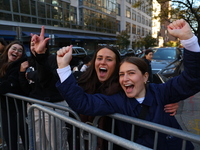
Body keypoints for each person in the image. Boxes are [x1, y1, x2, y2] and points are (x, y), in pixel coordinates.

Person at [56, 19, 200, 150]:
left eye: (131, 73)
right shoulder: (116, 100)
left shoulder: (162, 92)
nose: (125, 79)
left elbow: (191, 79)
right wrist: (63, 67)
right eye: (121, 74)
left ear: (145, 76)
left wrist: (189, 40)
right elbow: (84, 103)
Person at [19, 26, 69, 150]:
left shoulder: (52, 59)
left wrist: (30, 74)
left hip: (53, 107)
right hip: (34, 108)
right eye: (31, 44)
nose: (33, 46)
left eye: (36, 43)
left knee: (56, 144)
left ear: (44, 45)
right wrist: (21, 73)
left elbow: (44, 81)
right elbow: (26, 88)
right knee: (38, 143)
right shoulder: (28, 62)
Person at [0, 41, 28, 150]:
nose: (16, 51)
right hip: (5, 108)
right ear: (8, 50)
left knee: (26, 139)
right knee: (10, 139)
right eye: (14, 48)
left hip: (20, 109)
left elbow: (7, 86)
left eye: (19, 50)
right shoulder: (1, 63)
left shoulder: (20, 65)